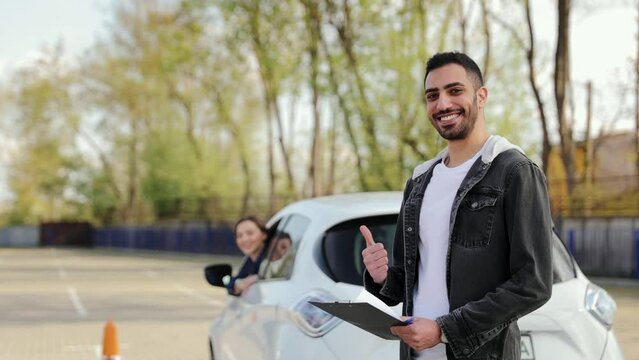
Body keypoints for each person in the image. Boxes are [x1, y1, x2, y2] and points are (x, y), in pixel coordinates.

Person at [361, 52, 553, 360]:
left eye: (455, 91)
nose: (443, 104)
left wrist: (445, 329)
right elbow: (406, 283)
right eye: (432, 96)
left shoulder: (514, 171)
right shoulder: (420, 180)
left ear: (481, 96)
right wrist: (381, 276)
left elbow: (533, 284)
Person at [226, 216, 268, 296]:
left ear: (264, 235)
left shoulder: (273, 257)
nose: (244, 239)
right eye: (239, 235)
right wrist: (236, 284)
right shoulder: (250, 261)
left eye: (250, 233)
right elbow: (232, 280)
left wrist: (257, 278)